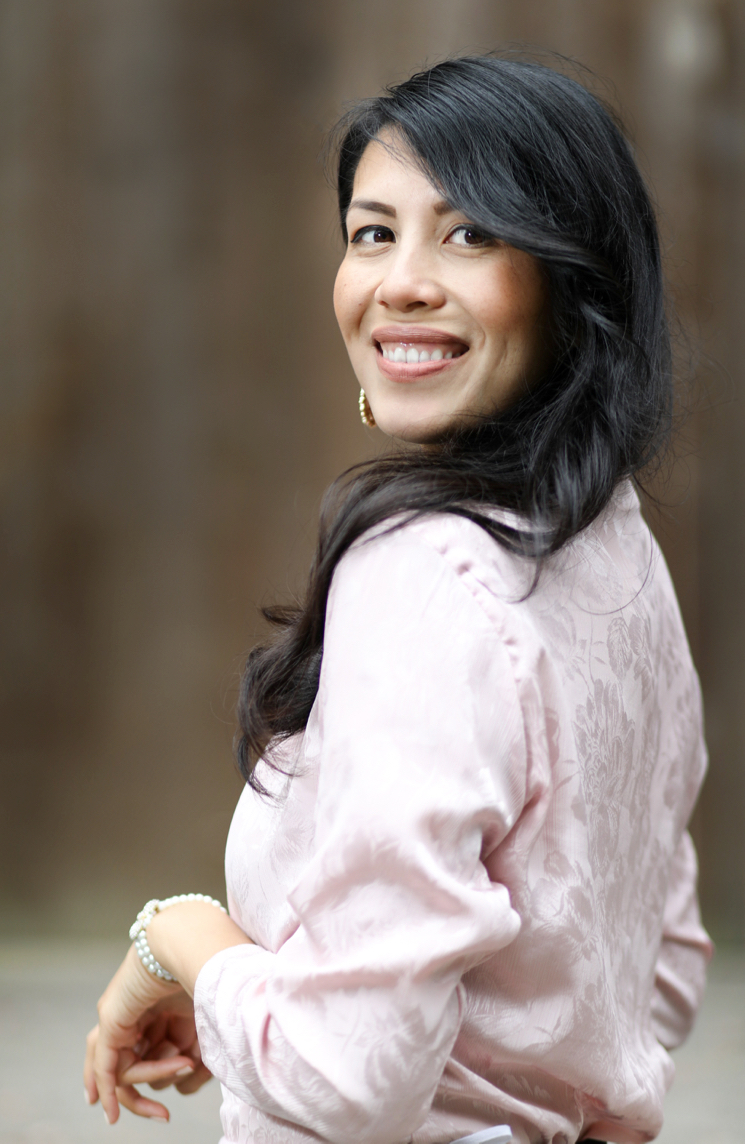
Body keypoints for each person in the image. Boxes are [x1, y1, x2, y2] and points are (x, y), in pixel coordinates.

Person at [83, 56, 712, 1144]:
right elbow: (657, 974)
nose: (401, 281)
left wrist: (183, 938)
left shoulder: (424, 582)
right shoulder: (615, 546)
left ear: (576, 282)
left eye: (470, 234)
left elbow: (351, 1077)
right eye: (373, 232)